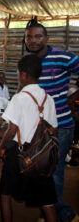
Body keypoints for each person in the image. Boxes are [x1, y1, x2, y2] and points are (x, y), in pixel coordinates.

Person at [25, 18, 79, 222]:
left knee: (54, 173)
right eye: (29, 37)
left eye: (38, 36)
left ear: (46, 38)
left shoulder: (62, 57)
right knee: (40, 173)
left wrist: (71, 99)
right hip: (38, 128)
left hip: (61, 127)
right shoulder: (28, 61)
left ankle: (62, 215)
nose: (34, 40)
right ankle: (50, 213)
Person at [0, 54, 58, 222]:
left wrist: (1, 147)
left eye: (18, 73)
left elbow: (12, 129)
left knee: (5, 193)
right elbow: (53, 129)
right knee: (47, 200)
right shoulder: (49, 99)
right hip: (42, 156)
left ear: (23, 75)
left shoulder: (19, 98)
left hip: (20, 153)